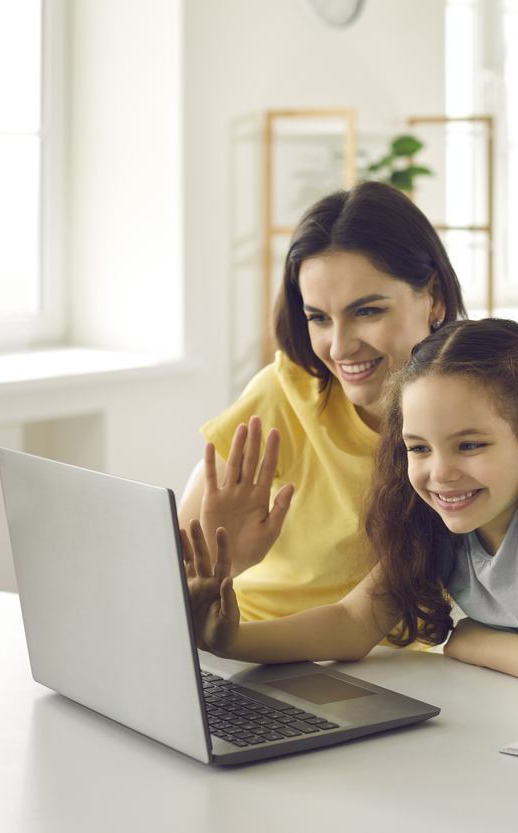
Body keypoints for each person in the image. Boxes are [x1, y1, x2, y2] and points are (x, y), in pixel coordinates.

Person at [183, 318, 518, 698]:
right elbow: (353, 622)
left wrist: (478, 643)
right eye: (419, 448)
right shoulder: (441, 519)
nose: (440, 473)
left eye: (469, 444)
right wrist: (230, 640)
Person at [176, 181, 466, 625]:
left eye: (367, 311)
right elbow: (172, 579)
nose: (340, 347)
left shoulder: (480, 409)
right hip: (241, 643)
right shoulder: (282, 392)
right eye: (318, 318)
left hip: (388, 668)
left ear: (435, 296)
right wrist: (229, 566)